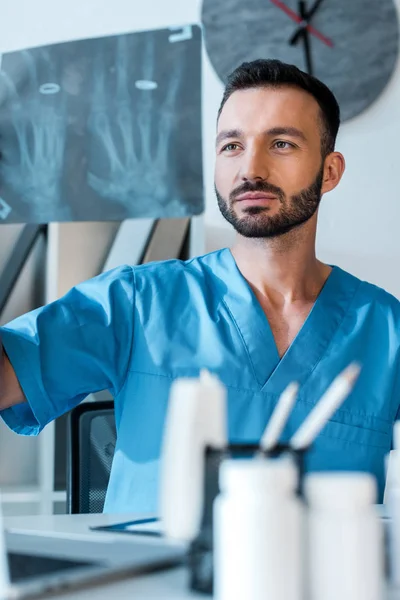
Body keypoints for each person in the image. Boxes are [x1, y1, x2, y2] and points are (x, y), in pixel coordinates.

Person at [0, 59, 398, 512]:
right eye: (231, 146)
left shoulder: (386, 331)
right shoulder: (135, 304)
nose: (252, 168)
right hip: (150, 580)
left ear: (329, 172)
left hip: (317, 582)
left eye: (282, 143)